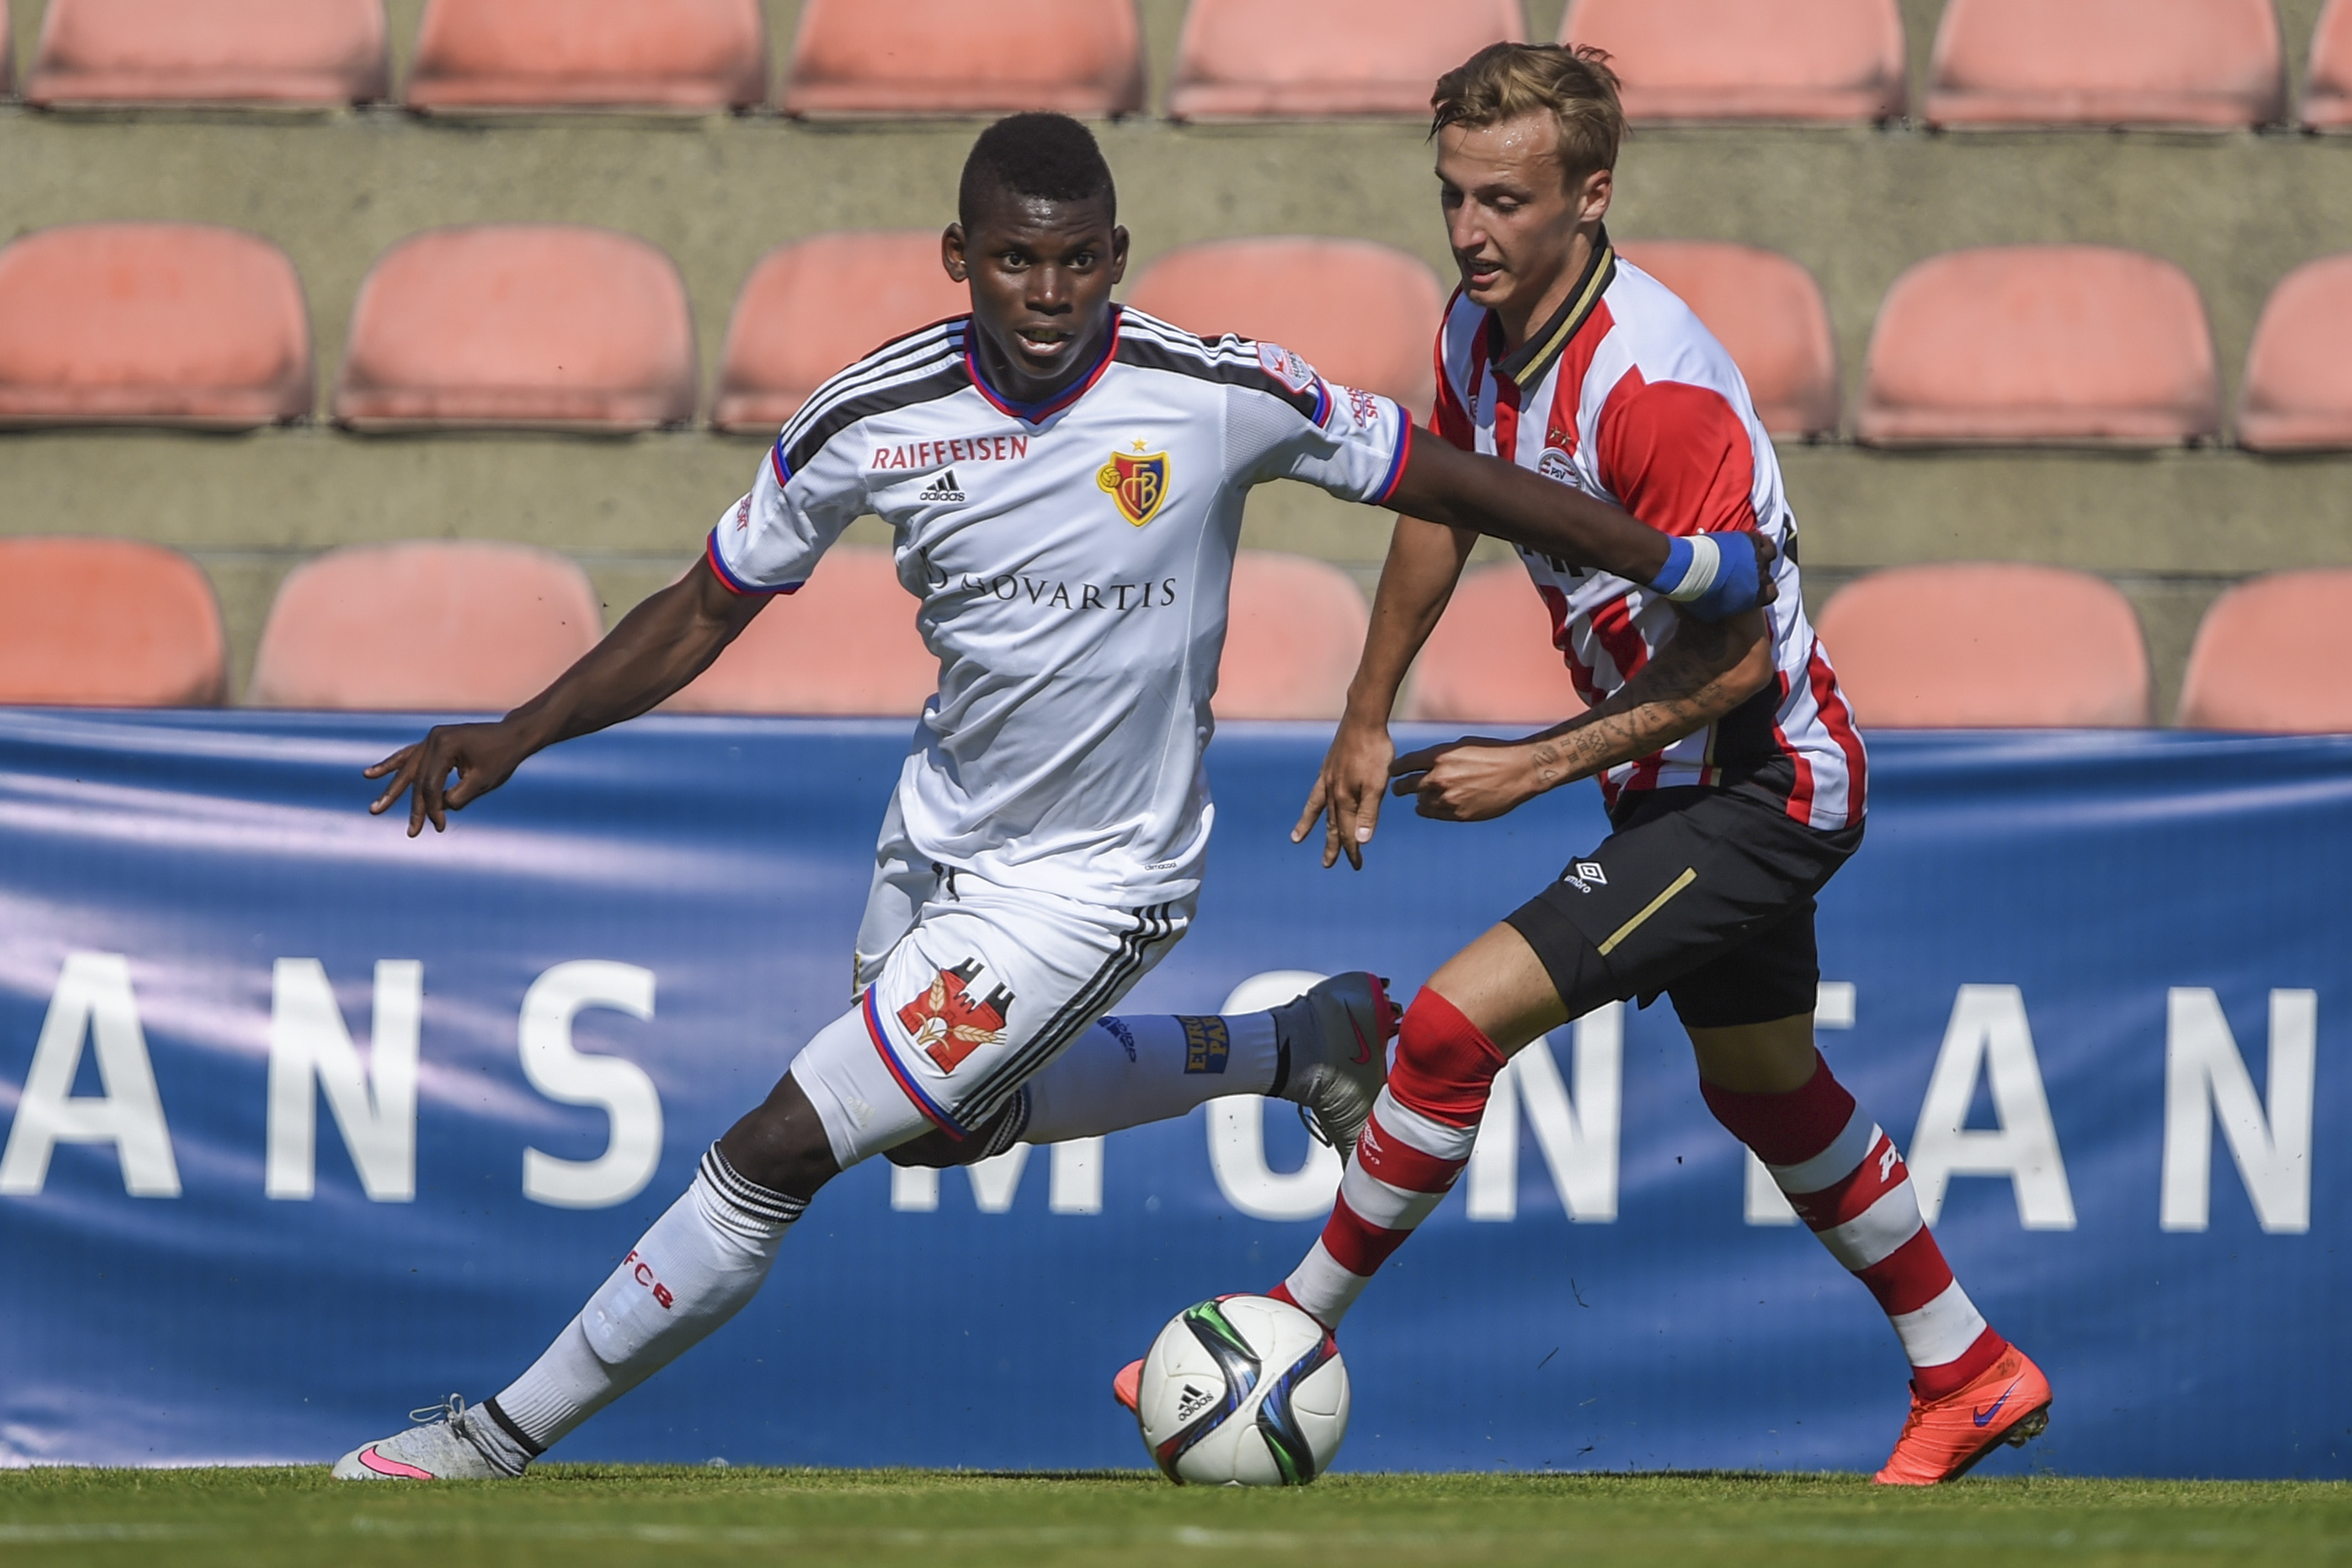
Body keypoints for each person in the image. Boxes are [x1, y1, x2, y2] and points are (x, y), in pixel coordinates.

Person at [333, 110, 1774, 1480]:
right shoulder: (871, 414)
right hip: (938, 842)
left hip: (1101, 884)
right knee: (955, 1123)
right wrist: (523, 728)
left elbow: (1441, 474)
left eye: (1078, 258)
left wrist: (1674, 561)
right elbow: (710, 603)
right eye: (1016, 259)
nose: (1048, 290)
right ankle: (1297, 1042)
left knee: (783, 1140)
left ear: (1117, 254)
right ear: (960, 258)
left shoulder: (1213, 395)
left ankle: (492, 1435)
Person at [1123, 44, 2052, 1486]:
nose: (1471, 230)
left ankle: (1283, 1337)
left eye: (1506, 199)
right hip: (1679, 783)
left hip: (1763, 784)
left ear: (1591, 195)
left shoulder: (1651, 391)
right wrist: (1368, 710)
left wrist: (1534, 765)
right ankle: (1970, 1365)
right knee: (1761, 1081)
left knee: (1442, 1029)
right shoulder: (1479, 330)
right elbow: (1439, 502)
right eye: (1453, 196)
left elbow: (1738, 659)